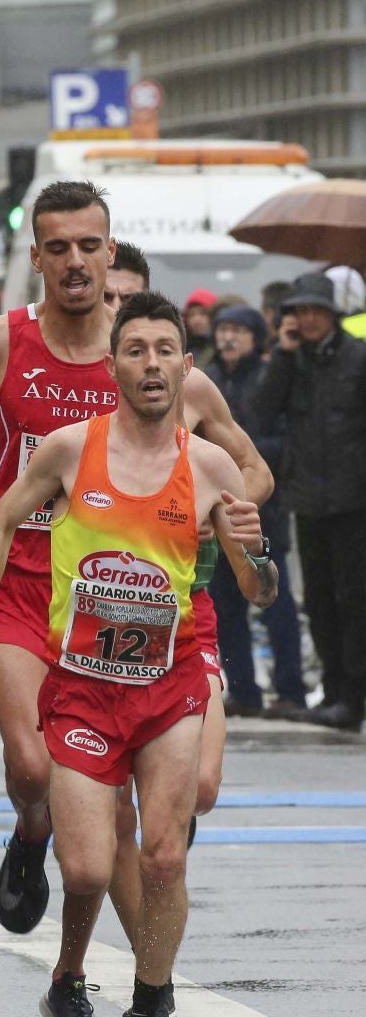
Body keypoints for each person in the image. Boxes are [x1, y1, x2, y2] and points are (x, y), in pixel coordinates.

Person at [0, 186, 273, 1017]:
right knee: (33, 772)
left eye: (90, 246)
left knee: (164, 811)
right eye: (57, 248)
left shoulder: (161, 366)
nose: (76, 262)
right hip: (28, 587)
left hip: (151, 617)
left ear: (109, 250)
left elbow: (249, 472)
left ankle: (118, 983)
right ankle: (35, 834)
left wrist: (227, 522)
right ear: (38, 258)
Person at [254, 272, 366, 732]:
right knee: (318, 600)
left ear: (333, 315)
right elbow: (260, 411)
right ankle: (334, 693)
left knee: (353, 600)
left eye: (315, 311)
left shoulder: (358, 358)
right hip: (308, 500)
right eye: (299, 311)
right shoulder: (291, 362)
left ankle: (352, 698)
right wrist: (282, 353)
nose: (307, 319)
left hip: (355, 500)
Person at [205, 305, 306, 718]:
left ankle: (290, 690)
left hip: (266, 511)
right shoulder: (208, 380)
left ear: (254, 336)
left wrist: (245, 461)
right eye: (223, 328)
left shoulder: (269, 376)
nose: (228, 337)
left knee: (275, 605)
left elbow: (284, 441)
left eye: (238, 330)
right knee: (226, 604)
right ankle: (243, 690)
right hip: (218, 511)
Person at [183, 288, 216, 368]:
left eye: (203, 313)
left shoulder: (221, 351)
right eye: (191, 315)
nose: (196, 320)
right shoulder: (182, 348)